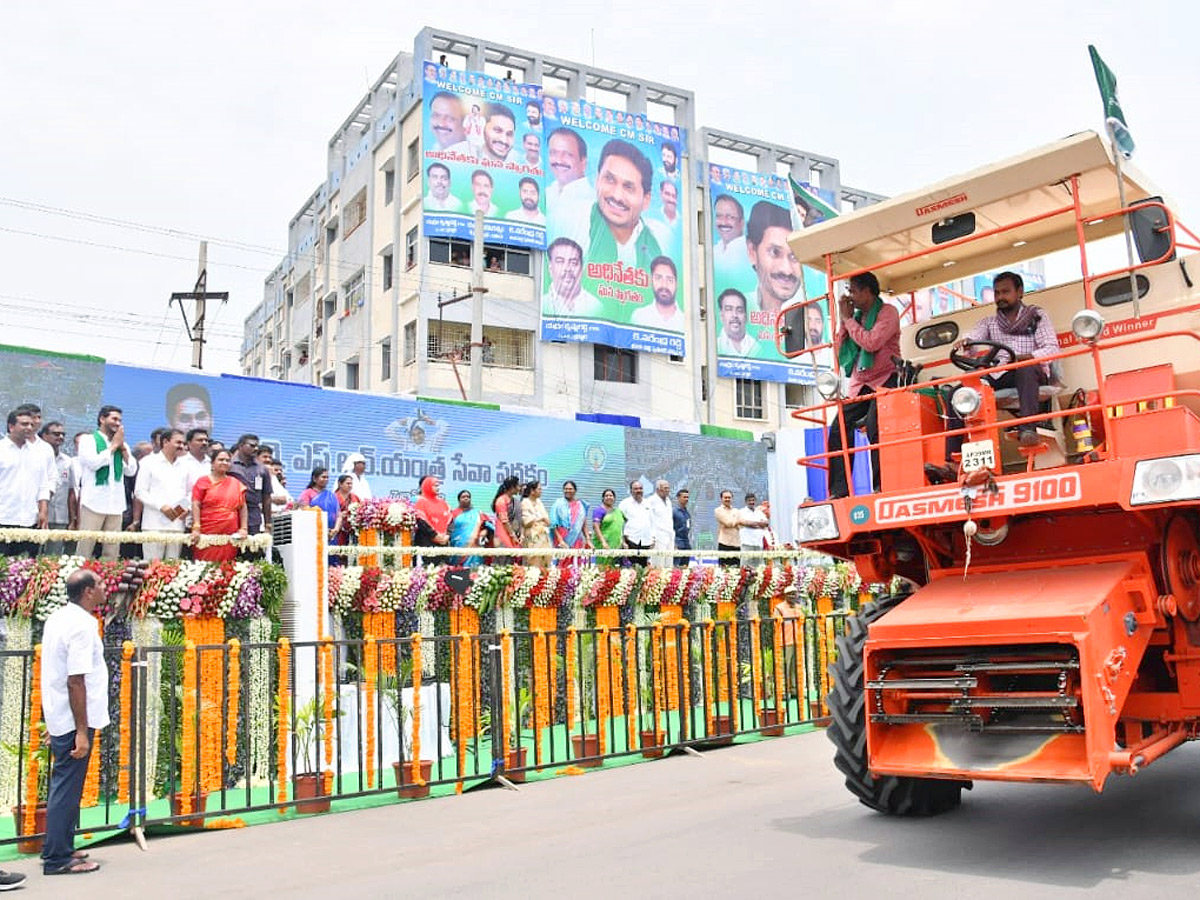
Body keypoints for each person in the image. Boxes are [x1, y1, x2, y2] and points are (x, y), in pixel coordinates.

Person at [39, 567, 108, 877]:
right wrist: (81, 730)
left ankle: (60, 847)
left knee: (66, 785)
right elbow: (75, 680)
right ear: (88, 591)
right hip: (72, 718)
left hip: (60, 714)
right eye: (101, 584)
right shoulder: (82, 625)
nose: (106, 587)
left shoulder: (58, 617)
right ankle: (57, 858)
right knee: (66, 788)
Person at [954, 271, 1061, 448]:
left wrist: (1023, 358)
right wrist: (967, 343)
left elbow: (1051, 349)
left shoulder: (1037, 316)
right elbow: (973, 340)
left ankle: (1028, 430)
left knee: (1025, 368)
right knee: (959, 391)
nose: (1000, 297)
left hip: (1032, 372)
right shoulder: (989, 322)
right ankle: (953, 456)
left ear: (1019, 292)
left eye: (1005, 292)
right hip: (1001, 373)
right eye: (997, 293)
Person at [828, 271, 901, 499]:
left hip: (886, 378)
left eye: (854, 290)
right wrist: (845, 320)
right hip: (861, 384)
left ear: (867, 291)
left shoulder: (888, 312)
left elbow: (871, 343)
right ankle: (839, 490)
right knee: (839, 425)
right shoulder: (856, 317)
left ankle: (882, 485)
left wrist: (849, 320)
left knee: (875, 423)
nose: (851, 295)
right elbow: (841, 351)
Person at [575, 139, 663, 271]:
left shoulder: (660, 244)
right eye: (610, 179)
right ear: (597, 180)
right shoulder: (574, 225)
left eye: (628, 187)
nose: (617, 196)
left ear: (646, 200)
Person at [76, 405, 137, 560]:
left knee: (112, 550)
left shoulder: (123, 445)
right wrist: (113, 446)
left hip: (116, 504)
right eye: (114, 419)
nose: (118, 423)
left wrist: (122, 449)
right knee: (85, 548)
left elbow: (131, 471)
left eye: (120, 420)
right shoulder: (88, 440)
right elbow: (94, 463)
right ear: (102, 419)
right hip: (93, 502)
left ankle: (108, 580)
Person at [0, 407, 51, 557]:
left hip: (30, 519)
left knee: (25, 569)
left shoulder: (39, 453)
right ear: (11, 426)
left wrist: (43, 511)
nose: (29, 427)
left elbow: (43, 484)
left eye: (31, 424)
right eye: (24, 424)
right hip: (3, 517)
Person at [133, 428, 189, 560]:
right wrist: (161, 506)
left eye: (183, 443)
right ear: (165, 442)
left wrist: (183, 508)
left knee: (172, 567)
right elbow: (140, 491)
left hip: (176, 524)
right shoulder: (148, 462)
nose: (182, 446)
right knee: (153, 566)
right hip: (154, 524)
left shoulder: (186, 465)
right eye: (178, 442)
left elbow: (190, 492)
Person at [746, 201, 801, 323]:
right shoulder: (739, 306)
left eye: (795, 256)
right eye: (775, 252)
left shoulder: (813, 314)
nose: (787, 270)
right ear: (752, 252)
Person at [191, 449, 248, 562]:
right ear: (212, 463)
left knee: (227, 565)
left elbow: (243, 507)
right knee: (204, 564)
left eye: (227, 460)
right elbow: (195, 504)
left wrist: (243, 528)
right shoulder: (203, 481)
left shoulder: (235, 483)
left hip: (230, 531)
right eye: (221, 460)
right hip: (207, 529)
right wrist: (196, 527)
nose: (225, 463)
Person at [40, 421, 76, 556]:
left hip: (60, 517)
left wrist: (72, 519)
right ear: (44, 435)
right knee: (32, 555)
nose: (60, 437)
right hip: (37, 515)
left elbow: (72, 491)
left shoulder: (68, 461)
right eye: (56, 434)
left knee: (53, 557)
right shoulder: (37, 457)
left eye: (63, 434)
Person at [541, 237, 602, 318]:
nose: (567, 269)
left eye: (573, 263)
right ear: (550, 268)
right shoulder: (542, 305)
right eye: (560, 262)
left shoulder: (596, 307)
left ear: (581, 269)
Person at [545, 127, 592, 227]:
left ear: (583, 162)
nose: (559, 160)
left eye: (568, 155)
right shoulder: (545, 194)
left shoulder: (592, 204)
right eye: (553, 153)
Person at [228, 434, 271, 537]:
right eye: (252, 446)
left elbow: (267, 497)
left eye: (257, 446)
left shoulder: (262, 469)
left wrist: (268, 523)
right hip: (232, 512)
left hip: (253, 514)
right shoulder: (229, 465)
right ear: (241, 446)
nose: (256, 449)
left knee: (251, 550)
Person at [630, 256, 684, 331]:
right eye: (658, 278)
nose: (664, 285)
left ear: (676, 284)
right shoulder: (639, 316)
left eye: (670, 280)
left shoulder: (684, 322)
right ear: (651, 281)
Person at [550, 480, 590, 558]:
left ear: (575, 490)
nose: (568, 491)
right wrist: (560, 540)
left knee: (575, 564)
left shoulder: (581, 505)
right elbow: (553, 524)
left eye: (570, 489)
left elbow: (583, 524)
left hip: (576, 539)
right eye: (566, 489)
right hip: (562, 539)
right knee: (561, 565)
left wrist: (588, 539)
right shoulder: (558, 503)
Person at [618, 480, 653, 567]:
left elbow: (652, 522)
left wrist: (653, 538)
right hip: (630, 541)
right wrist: (622, 542)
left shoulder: (648, 503)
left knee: (643, 571)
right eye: (636, 489)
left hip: (646, 541)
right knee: (629, 571)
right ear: (631, 491)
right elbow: (619, 524)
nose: (638, 491)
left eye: (640, 488)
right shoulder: (624, 504)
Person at [447, 489, 487, 566]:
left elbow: (487, 526)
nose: (466, 498)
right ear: (459, 500)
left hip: (475, 545)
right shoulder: (453, 514)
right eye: (463, 497)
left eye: (468, 497)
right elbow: (448, 530)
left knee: (474, 570)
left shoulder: (478, 513)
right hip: (458, 545)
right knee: (458, 570)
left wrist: (484, 532)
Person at [413, 474, 451, 551]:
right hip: (426, 542)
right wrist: (434, 535)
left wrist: (447, 535)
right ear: (427, 486)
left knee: (444, 563)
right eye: (435, 486)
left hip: (444, 543)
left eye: (438, 486)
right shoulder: (421, 502)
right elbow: (421, 521)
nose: (438, 488)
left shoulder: (443, 503)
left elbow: (450, 521)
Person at [520, 481, 551, 567]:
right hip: (531, 537)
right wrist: (540, 518)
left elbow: (547, 521)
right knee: (532, 561)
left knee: (545, 560)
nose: (541, 491)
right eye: (539, 489)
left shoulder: (540, 503)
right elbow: (526, 522)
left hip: (543, 537)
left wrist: (540, 519)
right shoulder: (524, 503)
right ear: (532, 491)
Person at [715, 288, 755, 357]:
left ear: (745, 316)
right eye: (729, 310)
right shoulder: (715, 346)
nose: (735, 315)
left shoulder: (756, 348)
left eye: (739, 310)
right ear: (721, 316)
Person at [590, 488, 624, 565]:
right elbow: (596, 527)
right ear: (603, 498)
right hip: (603, 545)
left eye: (611, 495)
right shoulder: (599, 510)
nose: (609, 497)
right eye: (606, 496)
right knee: (602, 569)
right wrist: (603, 542)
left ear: (614, 498)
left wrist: (623, 542)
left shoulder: (618, 512)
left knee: (614, 570)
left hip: (616, 546)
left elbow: (619, 527)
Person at [645, 479, 675, 568]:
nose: (668, 490)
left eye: (668, 488)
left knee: (669, 564)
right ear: (658, 489)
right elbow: (648, 520)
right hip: (657, 536)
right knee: (658, 564)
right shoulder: (651, 501)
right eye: (665, 488)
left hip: (669, 535)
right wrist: (651, 536)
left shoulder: (668, 501)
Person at [329, 474, 360, 557]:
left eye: (351, 484)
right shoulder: (332, 497)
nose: (350, 486)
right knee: (337, 554)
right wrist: (339, 515)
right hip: (337, 530)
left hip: (352, 531)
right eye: (348, 483)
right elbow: (328, 513)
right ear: (340, 484)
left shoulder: (355, 497)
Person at [491, 476, 523, 552]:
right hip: (503, 534)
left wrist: (521, 534)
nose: (519, 488)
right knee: (504, 559)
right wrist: (512, 535)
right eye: (518, 486)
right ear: (512, 487)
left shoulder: (515, 501)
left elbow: (520, 519)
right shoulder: (501, 501)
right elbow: (504, 521)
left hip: (514, 534)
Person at [712, 194, 747, 263]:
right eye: (719, 216)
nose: (723, 222)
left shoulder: (748, 253)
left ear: (741, 223)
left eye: (730, 217)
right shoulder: (715, 250)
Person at [737, 492, 770, 562]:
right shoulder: (741, 512)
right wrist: (759, 524)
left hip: (758, 543)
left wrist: (752, 524)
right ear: (745, 501)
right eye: (749, 500)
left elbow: (766, 523)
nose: (751, 502)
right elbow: (744, 523)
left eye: (753, 500)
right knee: (746, 567)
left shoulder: (759, 512)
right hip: (747, 542)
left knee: (759, 567)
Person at [714, 489, 741, 567]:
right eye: (725, 497)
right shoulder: (718, 510)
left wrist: (734, 523)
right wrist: (736, 522)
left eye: (729, 497)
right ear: (721, 499)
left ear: (732, 498)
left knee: (736, 569)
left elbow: (740, 526)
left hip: (736, 543)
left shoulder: (736, 511)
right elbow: (728, 523)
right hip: (724, 543)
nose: (727, 499)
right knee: (723, 569)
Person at [673, 488, 692, 567]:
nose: (686, 499)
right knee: (676, 567)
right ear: (678, 498)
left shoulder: (687, 512)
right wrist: (674, 544)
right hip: (678, 543)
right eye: (684, 497)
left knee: (685, 567)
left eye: (687, 497)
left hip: (686, 543)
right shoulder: (674, 511)